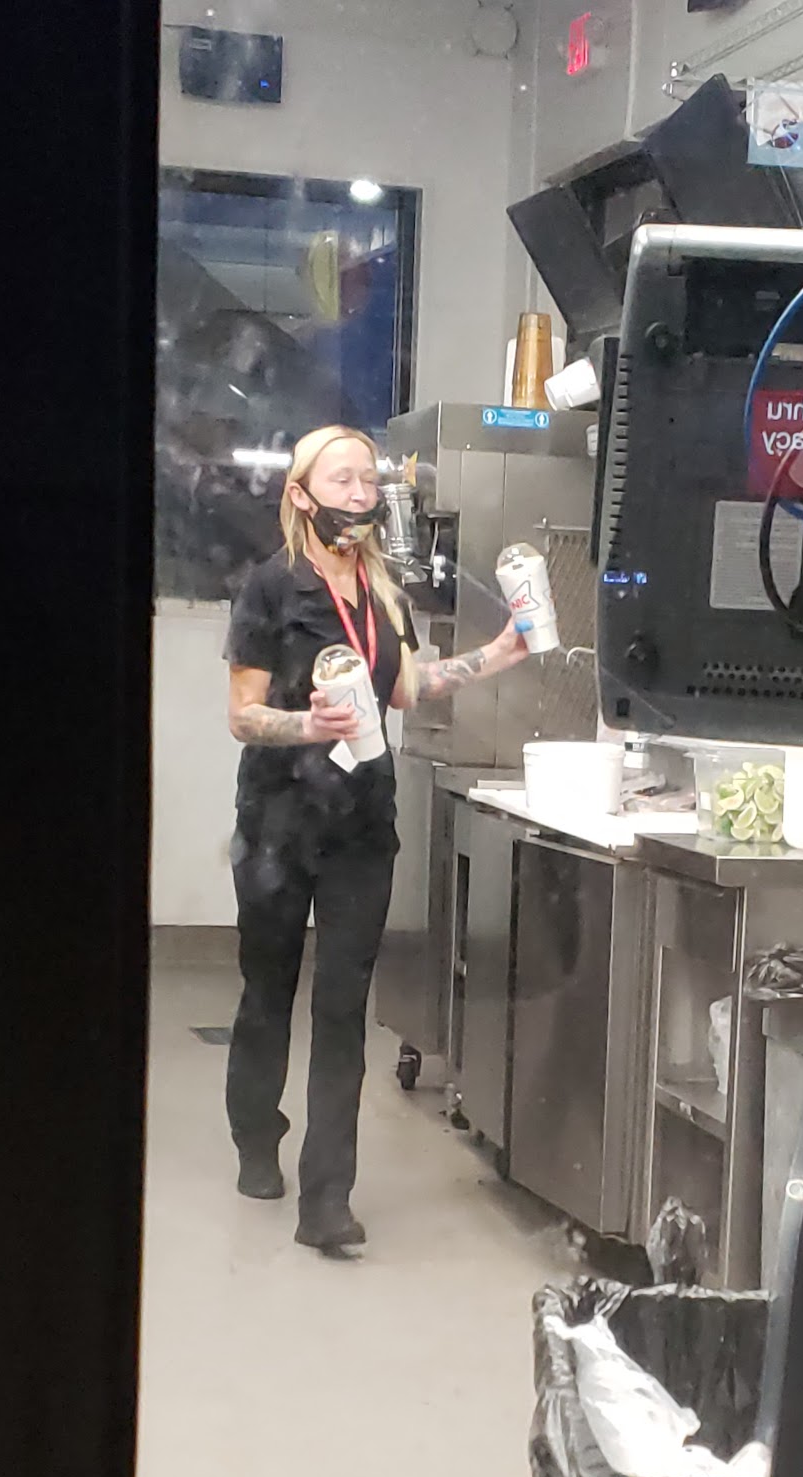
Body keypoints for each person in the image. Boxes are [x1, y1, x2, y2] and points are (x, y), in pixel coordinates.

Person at [225, 424, 529, 1254]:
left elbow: (405, 689)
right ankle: (256, 1135)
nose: (359, 495)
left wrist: (499, 652)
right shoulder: (269, 587)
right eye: (342, 481)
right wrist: (306, 724)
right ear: (301, 495)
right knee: (267, 992)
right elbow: (242, 715)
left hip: (362, 824)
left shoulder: (381, 589)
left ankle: (327, 1198)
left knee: (343, 1006)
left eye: (368, 480)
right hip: (279, 823)